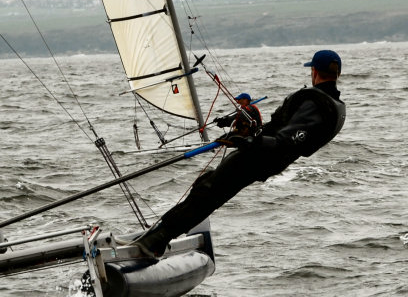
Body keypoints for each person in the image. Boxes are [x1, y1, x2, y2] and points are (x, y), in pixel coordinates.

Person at [132, 49, 346, 257]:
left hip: (260, 158)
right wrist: (246, 136)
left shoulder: (317, 105)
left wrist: (247, 141)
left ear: (314, 72)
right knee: (205, 187)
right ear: (338, 74)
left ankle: (154, 242)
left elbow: (285, 142)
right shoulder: (333, 105)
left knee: (207, 193)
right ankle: (158, 236)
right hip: (266, 158)